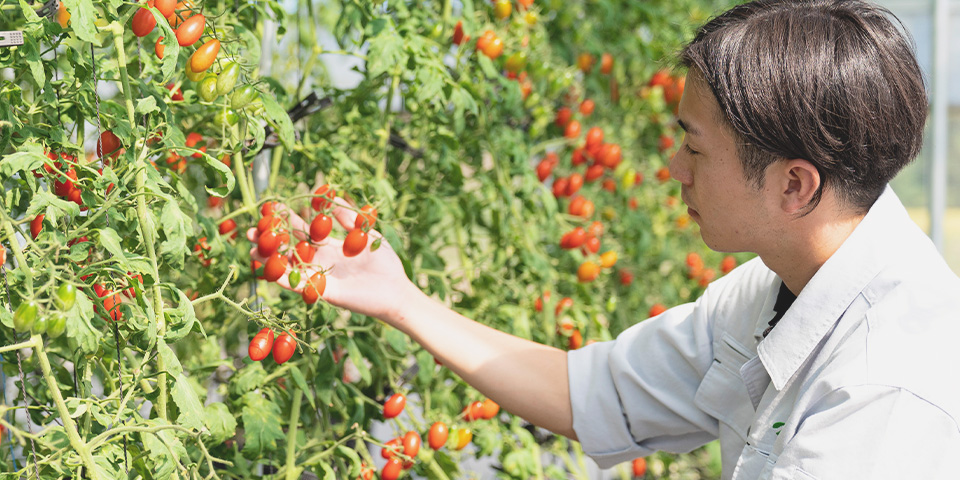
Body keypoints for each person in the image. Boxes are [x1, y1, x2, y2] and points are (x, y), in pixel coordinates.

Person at [250, 0, 960, 478]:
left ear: (794, 186)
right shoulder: (779, 284)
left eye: (694, 147)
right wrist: (399, 300)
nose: (672, 168)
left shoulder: (886, 389)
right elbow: (594, 392)